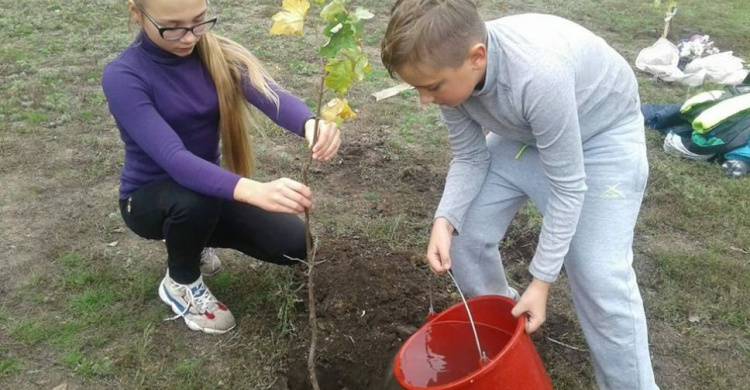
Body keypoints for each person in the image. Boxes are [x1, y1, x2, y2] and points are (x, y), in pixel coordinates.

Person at [381, 0, 658, 388]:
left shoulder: (538, 74)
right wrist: (444, 221)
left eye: (430, 88)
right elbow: (469, 155)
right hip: (524, 132)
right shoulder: (451, 71)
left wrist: (541, 281)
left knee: (598, 273)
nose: (424, 100)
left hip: (600, 136)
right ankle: (506, 326)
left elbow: (568, 186)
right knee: (462, 235)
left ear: (478, 57)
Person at [101, 0, 340, 335]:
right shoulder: (123, 76)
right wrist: (255, 190)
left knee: (293, 244)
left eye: (199, 21)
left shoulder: (213, 53)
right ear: (137, 14)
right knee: (191, 201)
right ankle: (181, 281)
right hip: (147, 201)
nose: (188, 37)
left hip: (204, 193)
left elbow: (270, 94)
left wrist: (309, 124)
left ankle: (193, 240)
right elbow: (175, 160)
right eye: (173, 27)